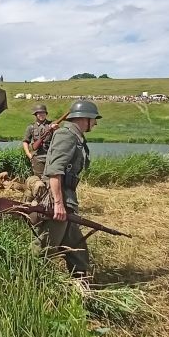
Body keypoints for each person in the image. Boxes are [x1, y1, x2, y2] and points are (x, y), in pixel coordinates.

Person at [34, 100, 100, 277]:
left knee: (77, 248)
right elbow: (55, 171)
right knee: (43, 249)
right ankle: (26, 282)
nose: (95, 123)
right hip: (59, 198)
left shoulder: (74, 136)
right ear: (83, 118)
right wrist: (58, 204)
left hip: (67, 198)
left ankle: (81, 283)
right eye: (93, 119)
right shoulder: (66, 135)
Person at [23, 103, 58, 202]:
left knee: (50, 180)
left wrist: (56, 128)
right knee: (38, 181)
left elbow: (59, 137)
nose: (41, 115)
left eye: (43, 113)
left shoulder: (51, 125)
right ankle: (37, 200)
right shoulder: (31, 127)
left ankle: (49, 200)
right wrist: (28, 154)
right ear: (35, 115)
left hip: (50, 157)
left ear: (46, 114)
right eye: (39, 113)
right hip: (37, 157)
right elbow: (25, 141)